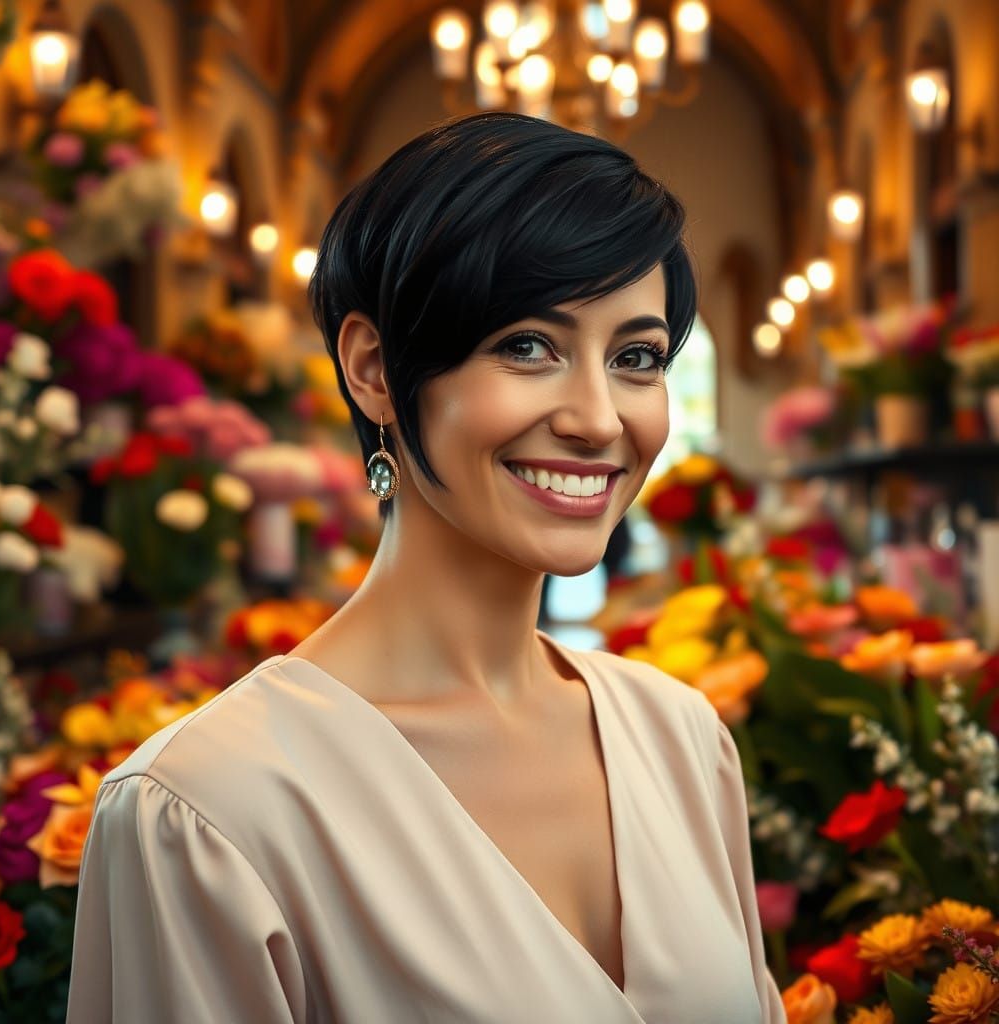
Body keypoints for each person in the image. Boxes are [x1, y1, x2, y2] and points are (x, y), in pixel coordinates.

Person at [67, 112, 787, 1023]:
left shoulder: (680, 740)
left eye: (636, 358)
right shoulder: (210, 809)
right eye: (529, 346)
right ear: (373, 369)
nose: (601, 419)